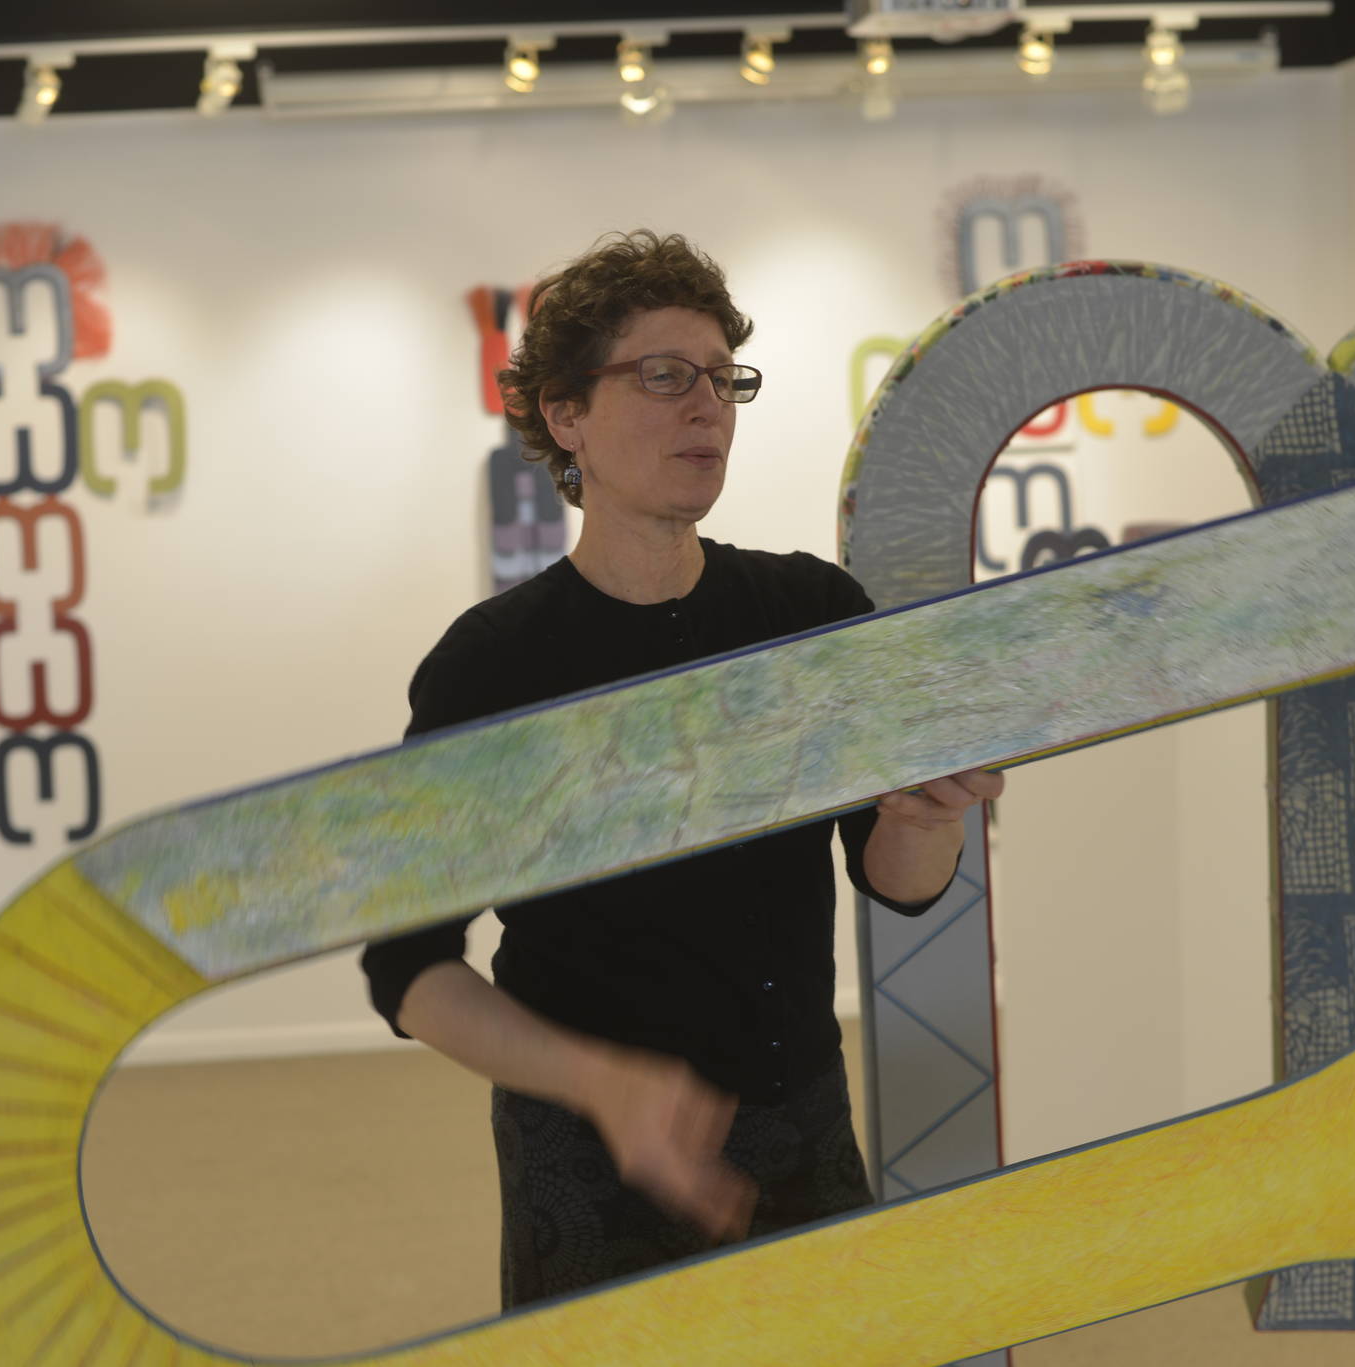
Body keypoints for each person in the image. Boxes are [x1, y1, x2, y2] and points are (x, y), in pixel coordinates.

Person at [360, 230, 1002, 1309]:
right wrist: (602, 1084)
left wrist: (930, 814)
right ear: (565, 416)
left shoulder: (809, 613)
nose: (704, 406)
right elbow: (408, 969)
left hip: (799, 1114)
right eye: (662, 376)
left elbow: (895, 879)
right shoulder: (491, 662)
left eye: (721, 378)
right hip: (586, 1149)